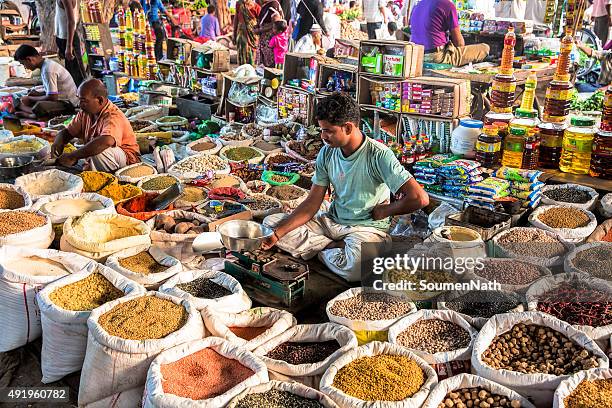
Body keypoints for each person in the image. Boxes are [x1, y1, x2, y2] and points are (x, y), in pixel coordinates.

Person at [261, 92, 429, 282]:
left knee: (355, 267)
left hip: (366, 230)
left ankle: (321, 248)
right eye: (321, 130)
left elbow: (419, 198)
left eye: (328, 131)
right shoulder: (327, 153)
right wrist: (276, 235)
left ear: (348, 127)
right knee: (270, 225)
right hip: (331, 222)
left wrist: (386, 210)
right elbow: (312, 204)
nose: (323, 136)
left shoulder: (379, 155)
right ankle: (333, 247)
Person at [52, 79, 141, 172]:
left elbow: (106, 141)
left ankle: (105, 177)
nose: (79, 104)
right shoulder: (85, 113)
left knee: (99, 151)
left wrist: (73, 156)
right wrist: (58, 141)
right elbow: (67, 132)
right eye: (79, 99)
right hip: (106, 158)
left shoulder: (113, 116)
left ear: (100, 100)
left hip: (128, 160)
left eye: (83, 100)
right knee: (91, 151)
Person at [410, 0, 489, 66]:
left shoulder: (418, 5)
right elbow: (459, 43)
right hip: (437, 57)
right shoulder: (447, 5)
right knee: (484, 48)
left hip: (416, 55)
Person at [13, 45, 78, 119]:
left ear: (29, 59)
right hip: (59, 98)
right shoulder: (45, 64)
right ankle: (30, 111)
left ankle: (29, 113)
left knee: (40, 106)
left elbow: (53, 97)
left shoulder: (48, 70)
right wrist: (37, 94)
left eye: (23, 64)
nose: (25, 67)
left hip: (68, 103)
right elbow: (53, 92)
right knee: (21, 98)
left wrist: (30, 98)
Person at [55, 0, 86, 86]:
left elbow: (71, 21)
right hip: (63, 38)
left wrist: (69, 46)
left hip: (69, 39)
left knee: (77, 73)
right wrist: (60, 46)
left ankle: (84, 95)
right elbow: (61, 19)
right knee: (70, 73)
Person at [255, 0, 283, 67]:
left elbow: (276, 23)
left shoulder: (273, 4)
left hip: (269, 42)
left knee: (269, 65)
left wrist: (260, 30)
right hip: (265, 42)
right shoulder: (267, 5)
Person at [233, 0, 261, 65]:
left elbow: (260, 22)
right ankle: (242, 68)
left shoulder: (256, 7)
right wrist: (234, 34)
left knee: (252, 52)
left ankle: (251, 69)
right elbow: (236, 19)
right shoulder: (239, 4)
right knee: (242, 52)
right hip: (241, 33)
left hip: (253, 35)